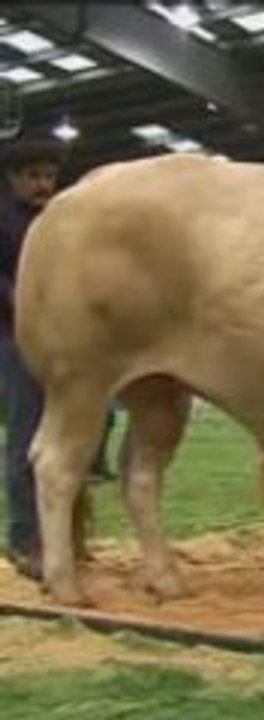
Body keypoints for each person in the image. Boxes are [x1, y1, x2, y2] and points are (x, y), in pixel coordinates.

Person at [0, 140, 64, 579]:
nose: (43, 184)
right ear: (13, 178)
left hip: (60, 337)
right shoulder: (4, 220)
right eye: (34, 176)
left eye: (49, 175)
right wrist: (25, 304)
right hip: (14, 336)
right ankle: (24, 540)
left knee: (69, 436)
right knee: (26, 437)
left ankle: (60, 537)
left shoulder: (59, 219)